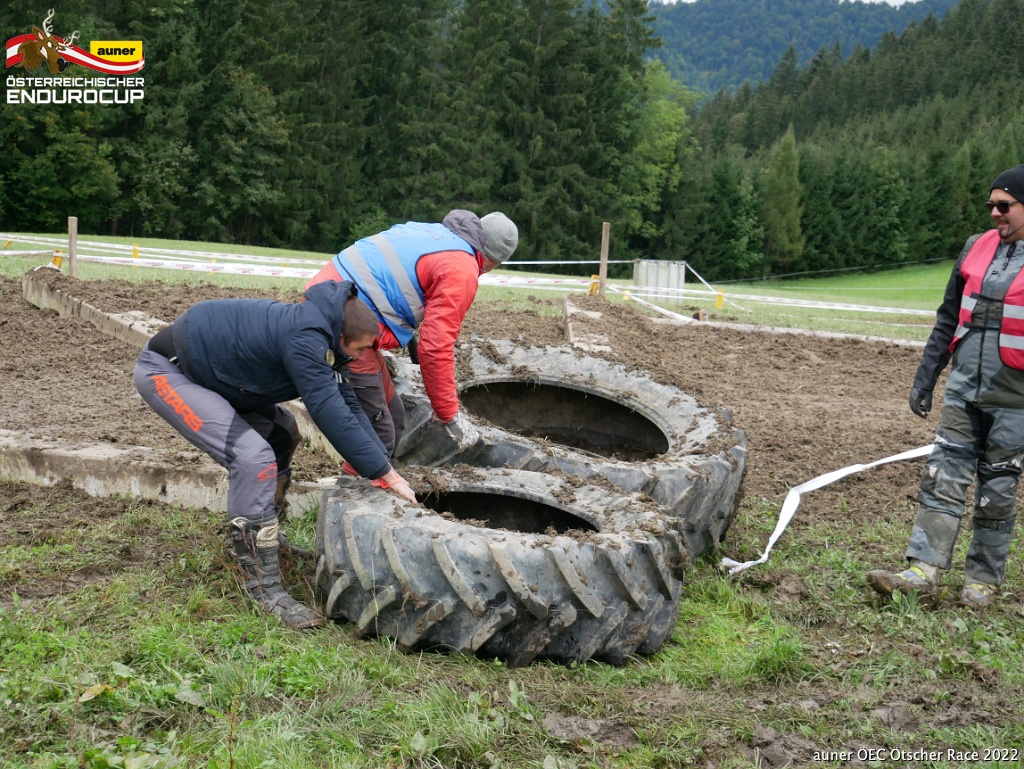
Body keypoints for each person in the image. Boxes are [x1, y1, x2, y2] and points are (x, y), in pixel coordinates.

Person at [134, 280, 417, 629]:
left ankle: (268, 539)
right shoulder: (306, 340)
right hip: (169, 371)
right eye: (359, 349)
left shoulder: (328, 340)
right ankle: (262, 587)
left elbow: (348, 404)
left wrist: (384, 469)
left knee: (283, 433)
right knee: (253, 459)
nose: (362, 357)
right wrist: (384, 474)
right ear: (342, 335)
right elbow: (327, 410)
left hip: (218, 375)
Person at [868, 163, 1024, 609]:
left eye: (1005, 205)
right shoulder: (975, 246)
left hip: (1015, 402)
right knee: (942, 477)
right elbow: (948, 316)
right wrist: (927, 377)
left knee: (997, 492)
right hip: (962, 391)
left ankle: (982, 581)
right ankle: (923, 571)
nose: (994, 213)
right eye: (991, 204)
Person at [305, 209, 519, 459]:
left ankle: (375, 475)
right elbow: (436, 346)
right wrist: (449, 414)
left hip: (330, 296)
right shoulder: (462, 268)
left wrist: (390, 342)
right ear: (495, 260)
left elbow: (392, 284)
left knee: (394, 416)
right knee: (379, 436)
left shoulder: (435, 232)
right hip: (341, 319)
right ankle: (358, 482)